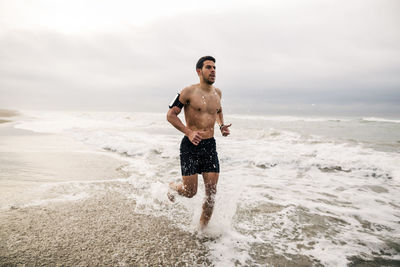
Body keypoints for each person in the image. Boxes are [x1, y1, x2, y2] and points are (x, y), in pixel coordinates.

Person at [166, 56, 231, 229]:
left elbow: (217, 111)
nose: (213, 71)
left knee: (211, 194)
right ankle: (173, 187)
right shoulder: (188, 92)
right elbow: (170, 115)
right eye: (209, 67)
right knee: (190, 192)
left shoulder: (218, 93)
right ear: (199, 71)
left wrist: (221, 125)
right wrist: (188, 132)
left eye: (215, 68)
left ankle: (201, 232)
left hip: (210, 146)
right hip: (190, 146)